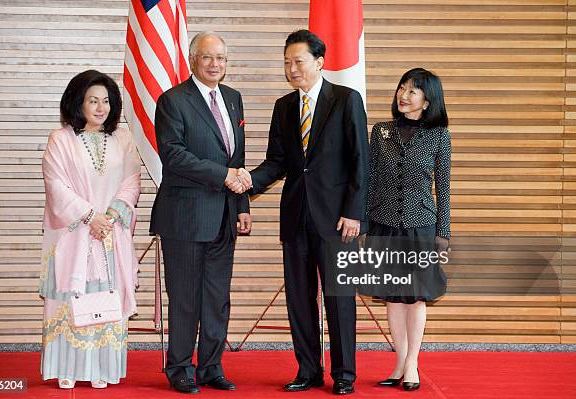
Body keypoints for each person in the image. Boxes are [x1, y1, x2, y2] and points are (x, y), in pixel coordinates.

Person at [244, 29, 368, 395]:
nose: (292, 68)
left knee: (340, 299)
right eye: (286, 62)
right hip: (296, 217)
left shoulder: (346, 100)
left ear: (319, 61)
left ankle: (344, 374)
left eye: (298, 61)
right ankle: (308, 370)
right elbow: (276, 162)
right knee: (299, 299)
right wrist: (244, 181)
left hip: (337, 221)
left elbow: (361, 160)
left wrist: (354, 212)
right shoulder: (284, 107)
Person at [149, 32, 251, 394]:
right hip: (185, 217)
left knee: (216, 297)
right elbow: (174, 155)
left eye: (221, 58)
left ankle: (210, 366)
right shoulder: (173, 101)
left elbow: (236, 159)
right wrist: (224, 177)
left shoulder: (234, 99)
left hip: (224, 215)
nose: (215, 64)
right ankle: (178, 367)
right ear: (193, 60)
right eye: (208, 57)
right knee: (186, 297)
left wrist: (241, 205)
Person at [39, 70, 141, 389]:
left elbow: (132, 182)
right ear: (77, 102)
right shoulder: (60, 139)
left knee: (105, 298)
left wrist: (109, 216)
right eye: (93, 100)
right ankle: (67, 368)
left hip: (110, 234)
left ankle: (101, 370)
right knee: (72, 298)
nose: (101, 107)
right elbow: (56, 187)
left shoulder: (123, 138)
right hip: (74, 236)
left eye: (106, 101)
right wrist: (89, 216)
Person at [366, 68, 451, 391]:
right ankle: (400, 360)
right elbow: (371, 181)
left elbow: (443, 187)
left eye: (413, 90)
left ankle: (413, 362)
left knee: (415, 298)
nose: (404, 94)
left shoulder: (440, 136)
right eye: (402, 87)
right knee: (392, 298)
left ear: (428, 100)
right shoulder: (381, 132)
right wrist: (364, 224)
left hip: (421, 226)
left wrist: (443, 233)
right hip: (383, 224)